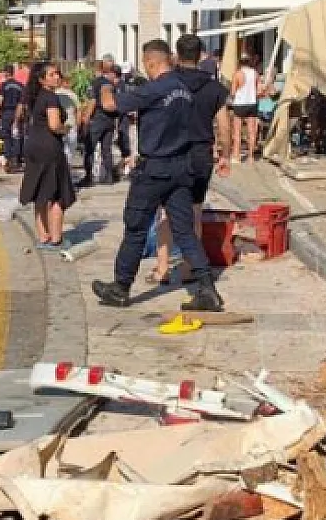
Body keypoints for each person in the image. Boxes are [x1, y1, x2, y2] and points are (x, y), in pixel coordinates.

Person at [93, 40, 224, 313]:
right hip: (182, 168)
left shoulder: (153, 89)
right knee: (185, 231)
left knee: (136, 228)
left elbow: (108, 105)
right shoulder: (185, 90)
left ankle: (120, 287)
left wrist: (104, 82)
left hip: (154, 169)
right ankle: (207, 288)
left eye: (146, 65)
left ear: (151, 63)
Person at [154, 33, 235, 284]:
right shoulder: (215, 88)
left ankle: (162, 267)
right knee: (195, 212)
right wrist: (225, 155)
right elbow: (223, 126)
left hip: (170, 152)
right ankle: (190, 267)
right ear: (201, 56)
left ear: (176, 55)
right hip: (200, 154)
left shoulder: (168, 83)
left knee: (165, 212)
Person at [19, 61, 74, 248]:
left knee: (40, 192)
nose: (57, 77)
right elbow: (54, 125)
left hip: (33, 145)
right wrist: (65, 129)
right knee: (58, 193)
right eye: (51, 74)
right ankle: (57, 238)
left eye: (57, 73)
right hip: (49, 148)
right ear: (41, 79)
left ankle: (43, 236)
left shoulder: (34, 97)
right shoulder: (51, 97)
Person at [80, 56, 123, 186]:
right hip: (109, 120)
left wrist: (86, 118)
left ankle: (88, 178)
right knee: (106, 149)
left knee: (90, 148)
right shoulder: (112, 85)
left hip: (97, 118)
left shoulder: (97, 82)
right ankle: (109, 177)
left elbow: (92, 101)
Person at [231, 48, 262, 162]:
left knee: (237, 131)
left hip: (239, 104)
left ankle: (236, 156)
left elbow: (233, 92)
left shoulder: (238, 74)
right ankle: (251, 156)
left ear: (240, 62)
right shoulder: (255, 74)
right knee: (251, 131)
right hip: (252, 103)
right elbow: (259, 91)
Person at [0, 64, 27, 173]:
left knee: (6, 137)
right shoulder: (21, 85)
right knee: (17, 136)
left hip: (6, 113)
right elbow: (21, 103)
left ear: (6, 72)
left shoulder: (4, 85)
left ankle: (9, 161)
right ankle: (17, 161)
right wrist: (17, 117)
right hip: (17, 113)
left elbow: (0, 99)